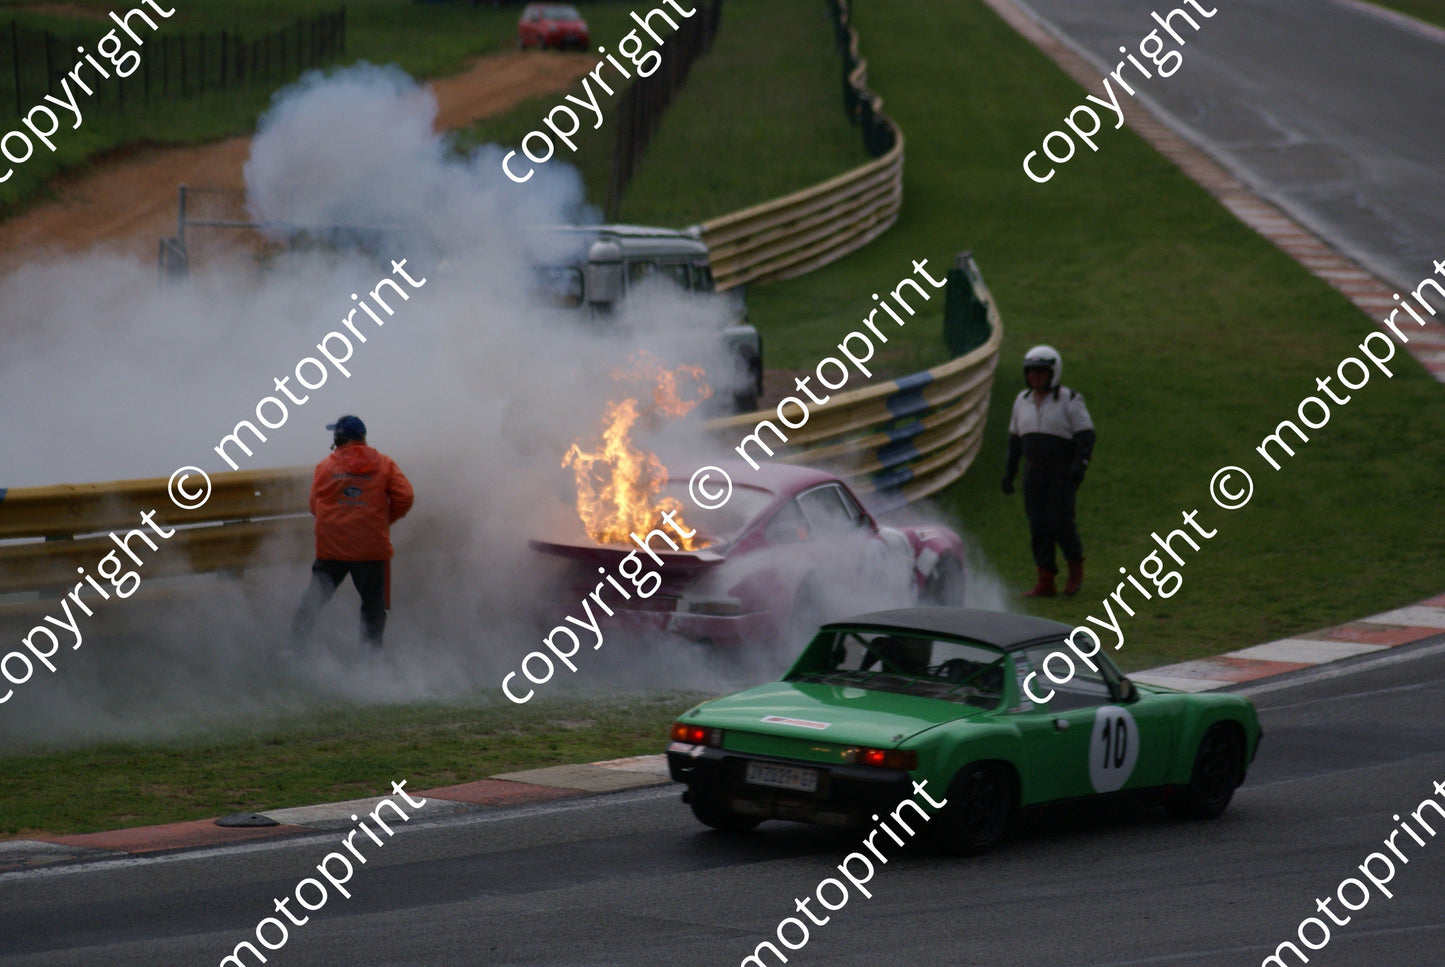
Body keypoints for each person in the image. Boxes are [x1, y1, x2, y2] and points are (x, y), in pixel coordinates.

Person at [289, 415, 414, 651]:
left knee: (314, 600)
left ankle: (294, 649)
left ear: (338, 438)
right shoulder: (384, 464)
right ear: (362, 438)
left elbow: (314, 505)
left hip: (332, 549)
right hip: (371, 548)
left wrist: (337, 523)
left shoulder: (325, 467)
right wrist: (383, 521)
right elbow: (405, 496)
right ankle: (370, 662)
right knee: (373, 607)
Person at [1001, 345, 1095, 597]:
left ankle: (1075, 569)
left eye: (1041, 372)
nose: (1035, 377)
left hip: (1060, 473)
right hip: (1033, 473)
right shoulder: (1021, 401)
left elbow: (1086, 435)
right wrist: (1009, 474)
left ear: (1053, 373)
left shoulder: (1070, 399)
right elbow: (1015, 441)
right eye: (1031, 372)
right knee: (1038, 525)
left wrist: (1079, 467)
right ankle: (1045, 579)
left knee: (1061, 521)